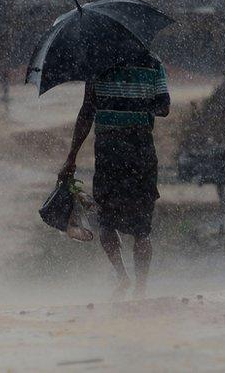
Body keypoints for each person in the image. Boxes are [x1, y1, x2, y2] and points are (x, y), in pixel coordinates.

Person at [59, 50, 170, 300]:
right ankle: (135, 285)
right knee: (133, 226)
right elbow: (164, 106)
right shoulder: (153, 63)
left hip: (112, 151)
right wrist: (139, 104)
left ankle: (126, 279)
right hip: (137, 151)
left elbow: (86, 113)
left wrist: (71, 157)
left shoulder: (99, 64)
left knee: (113, 222)